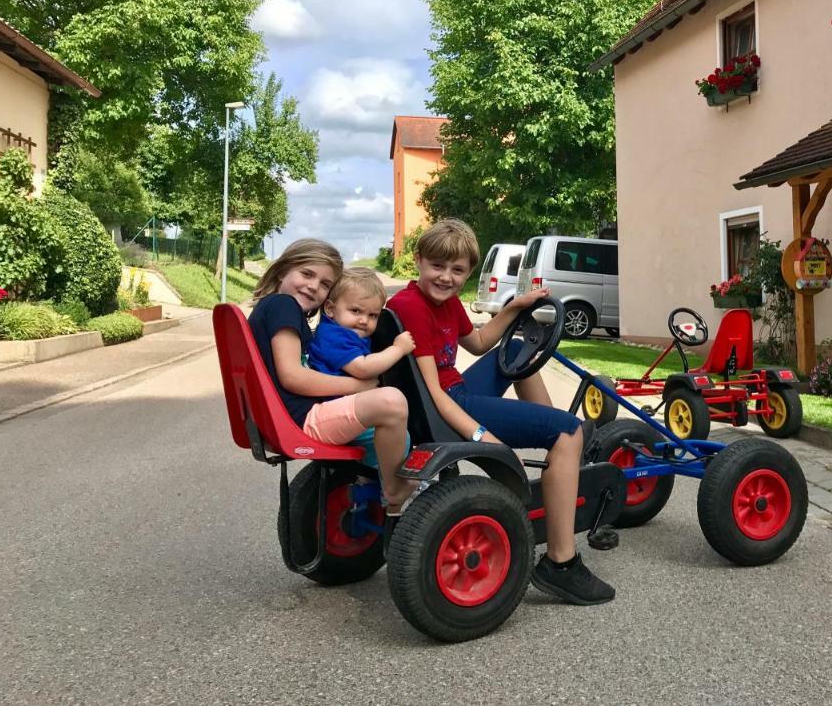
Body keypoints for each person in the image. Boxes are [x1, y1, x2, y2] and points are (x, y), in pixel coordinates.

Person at [388, 218, 614, 606]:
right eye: (437, 266)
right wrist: (483, 439)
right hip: (444, 406)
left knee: (514, 351)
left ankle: (559, 445)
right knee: (568, 430)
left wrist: (515, 308)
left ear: (469, 272)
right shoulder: (412, 307)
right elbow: (434, 393)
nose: (446, 277)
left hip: (448, 394)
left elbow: (477, 343)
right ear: (419, 259)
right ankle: (561, 562)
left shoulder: (440, 303)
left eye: (457, 270)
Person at [249, 239, 415, 513]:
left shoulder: (273, 308)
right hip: (302, 418)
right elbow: (293, 377)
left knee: (394, 429)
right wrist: (359, 385)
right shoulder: (283, 305)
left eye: (325, 284)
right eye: (306, 274)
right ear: (282, 271)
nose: (314, 286)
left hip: (286, 417)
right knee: (392, 402)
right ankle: (394, 489)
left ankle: (369, 487)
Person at [308, 266, 416, 380]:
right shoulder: (332, 336)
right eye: (355, 311)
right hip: (333, 396)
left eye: (372, 315)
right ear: (330, 309)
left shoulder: (345, 332)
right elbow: (363, 369)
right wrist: (398, 349)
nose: (364, 321)